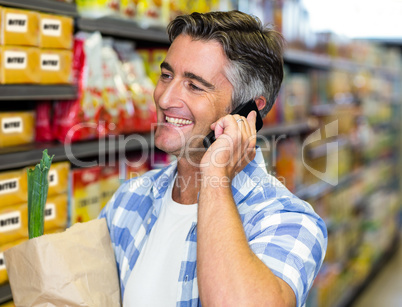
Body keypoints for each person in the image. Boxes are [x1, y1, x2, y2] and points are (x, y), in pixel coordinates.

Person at [100, 10, 327, 307]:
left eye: (194, 86)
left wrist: (216, 175)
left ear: (248, 111)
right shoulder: (128, 200)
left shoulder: (287, 221)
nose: (165, 98)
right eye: (166, 75)